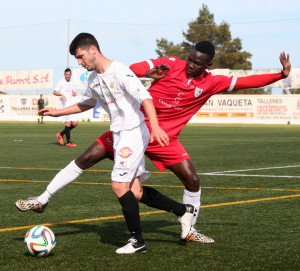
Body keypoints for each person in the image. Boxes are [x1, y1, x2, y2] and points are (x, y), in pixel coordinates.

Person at [16, 41, 291, 244]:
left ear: (208, 65)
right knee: (89, 160)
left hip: (163, 137)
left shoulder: (212, 82)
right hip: (133, 128)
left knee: (191, 179)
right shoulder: (171, 64)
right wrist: (150, 73)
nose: (191, 64)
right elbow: (131, 69)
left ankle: (188, 228)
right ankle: (42, 199)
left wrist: (280, 75)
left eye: (197, 63)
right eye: (190, 59)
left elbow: (247, 81)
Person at [15, 33, 195, 254]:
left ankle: (138, 242)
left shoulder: (119, 71)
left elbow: (145, 98)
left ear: (93, 49)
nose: (80, 62)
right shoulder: (93, 79)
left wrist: (156, 127)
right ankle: (183, 210)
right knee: (135, 191)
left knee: (118, 186)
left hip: (134, 133)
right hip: (119, 134)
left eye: (80, 57)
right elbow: (87, 103)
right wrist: (57, 112)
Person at [54, 68, 79, 147]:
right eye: (66, 74)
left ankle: (61, 134)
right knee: (68, 123)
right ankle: (69, 142)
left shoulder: (72, 83)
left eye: (69, 74)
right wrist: (62, 95)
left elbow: (73, 92)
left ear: (71, 75)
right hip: (65, 106)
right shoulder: (61, 82)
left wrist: (74, 93)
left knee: (75, 123)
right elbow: (54, 92)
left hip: (72, 105)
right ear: (64, 75)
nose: (67, 76)